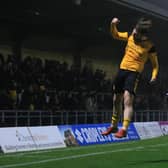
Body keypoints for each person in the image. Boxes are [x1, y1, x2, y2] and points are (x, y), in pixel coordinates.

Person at [101, 17, 159, 138]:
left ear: (143, 35)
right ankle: (113, 125)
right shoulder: (130, 36)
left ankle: (124, 128)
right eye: (134, 30)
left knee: (127, 99)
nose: (133, 31)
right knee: (116, 99)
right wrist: (113, 25)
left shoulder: (149, 46)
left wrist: (154, 76)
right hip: (122, 70)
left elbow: (155, 65)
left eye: (136, 31)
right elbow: (115, 34)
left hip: (133, 73)